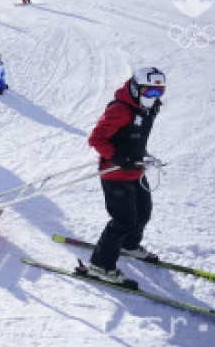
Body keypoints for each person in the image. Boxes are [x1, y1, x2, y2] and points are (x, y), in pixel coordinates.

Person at [87, 67, 166, 285]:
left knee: (143, 213)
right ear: (136, 88)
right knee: (123, 220)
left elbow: (134, 139)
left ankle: (129, 245)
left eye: (159, 92)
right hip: (115, 173)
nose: (154, 98)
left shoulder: (148, 110)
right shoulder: (120, 110)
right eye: (150, 92)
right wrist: (119, 158)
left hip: (136, 170)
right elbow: (96, 139)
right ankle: (100, 266)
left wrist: (144, 155)